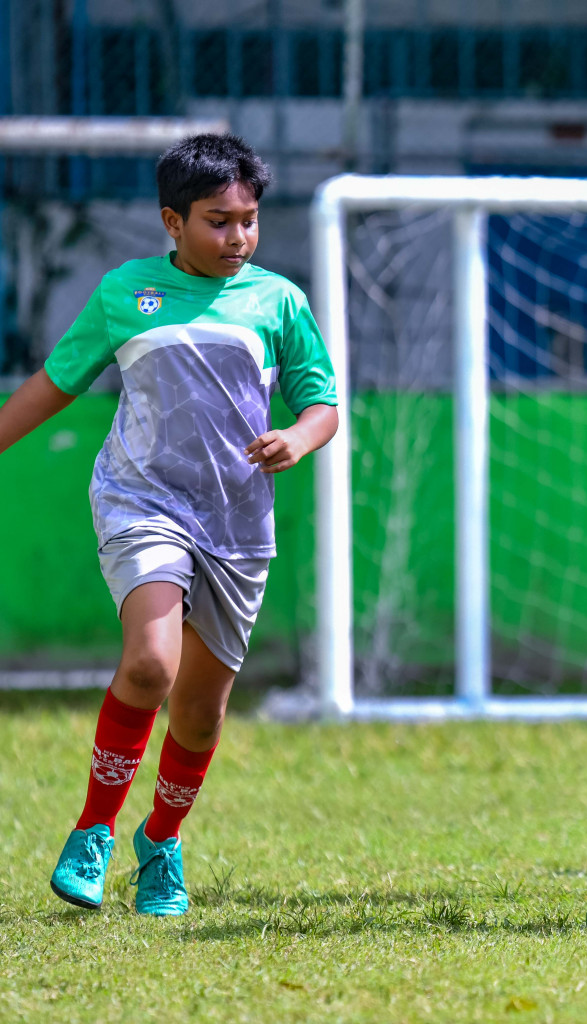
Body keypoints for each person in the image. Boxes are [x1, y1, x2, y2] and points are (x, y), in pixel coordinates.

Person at [0, 133, 339, 916]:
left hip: (237, 521)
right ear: (171, 220)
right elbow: (58, 382)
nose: (238, 238)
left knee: (199, 709)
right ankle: (94, 831)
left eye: (249, 221)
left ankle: (162, 840)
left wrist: (299, 435)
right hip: (141, 500)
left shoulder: (278, 300)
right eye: (218, 221)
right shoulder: (126, 292)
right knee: (150, 663)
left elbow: (322, 402)